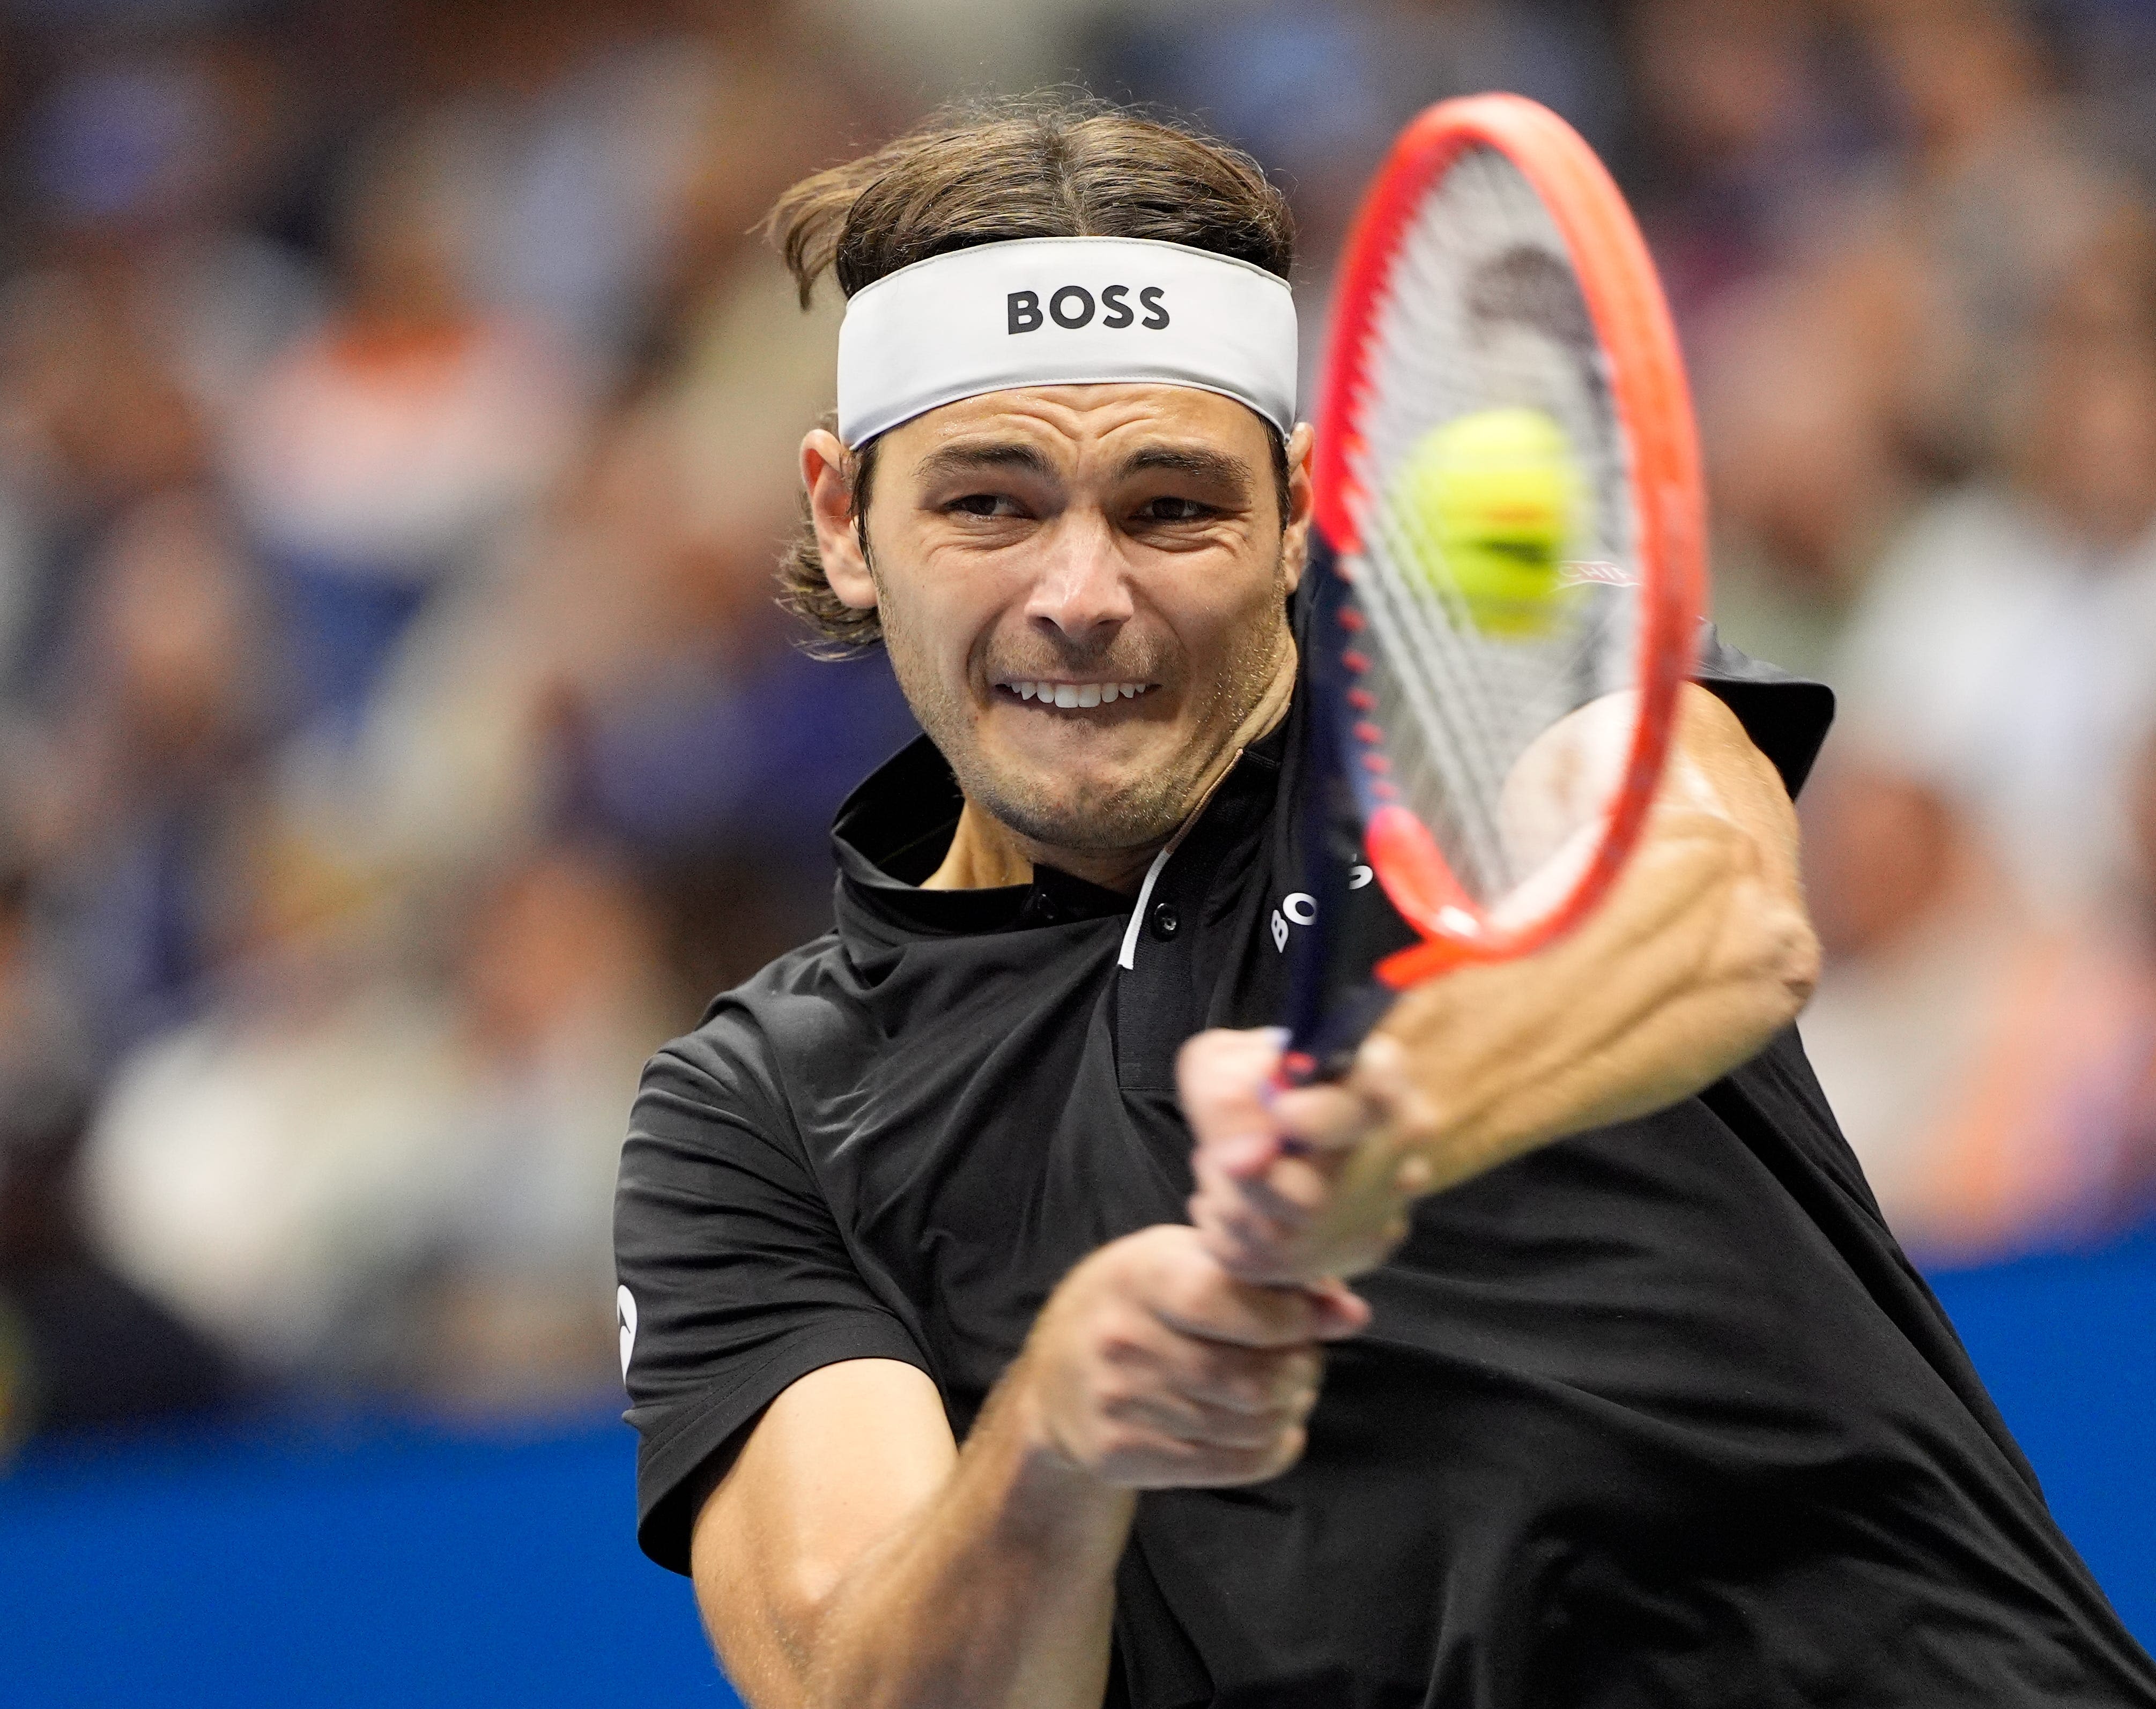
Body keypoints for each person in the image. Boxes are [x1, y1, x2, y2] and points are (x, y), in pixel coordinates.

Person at [614, 96, 2156, 1709]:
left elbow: (1714, 919)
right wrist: (1055, 1444)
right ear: (844, 520)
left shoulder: (1473, 671)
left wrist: (1383, 1131)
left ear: (1292, 514)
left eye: (1171, 507)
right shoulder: (760, 1114)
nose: (1081, 595)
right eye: (989, 503)